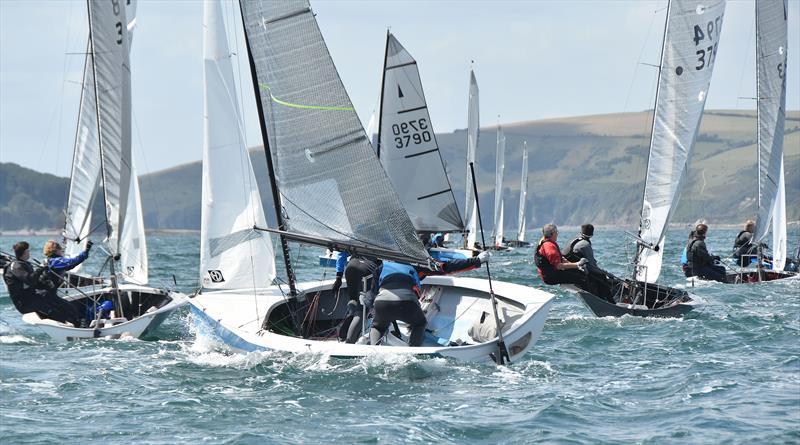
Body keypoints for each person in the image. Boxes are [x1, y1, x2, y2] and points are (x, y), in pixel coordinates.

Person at [369, 251, 490, 347]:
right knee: (419, 324)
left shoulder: (382, 266)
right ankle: (413, 351)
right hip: (407, 301)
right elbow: (447, 266)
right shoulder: (416, 262)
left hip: (382, 301)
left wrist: (368, 301)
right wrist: (477, 261)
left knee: (378, 326)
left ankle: (372, 351)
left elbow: (372, 295)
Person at [2, 241, 83, 326]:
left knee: (69, 307)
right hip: (25, 303)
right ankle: (73, 326)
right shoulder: (16, 266)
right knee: (58, 313)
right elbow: (30, 280)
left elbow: (36, 282)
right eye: (28, 251)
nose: (29, 253)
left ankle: (78, 324)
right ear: (25, 252)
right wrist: (40, 268)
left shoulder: (25, 264)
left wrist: (47, 283)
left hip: (34, 297)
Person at [331, 252, 379, 343]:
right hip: (368, 269)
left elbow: (341, 254)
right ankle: (349, 343)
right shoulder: (386, 239)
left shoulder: (358, 238)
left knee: (354, 302)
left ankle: (343, 336)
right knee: (361, 310)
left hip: (351, 266)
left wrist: (338, 277)